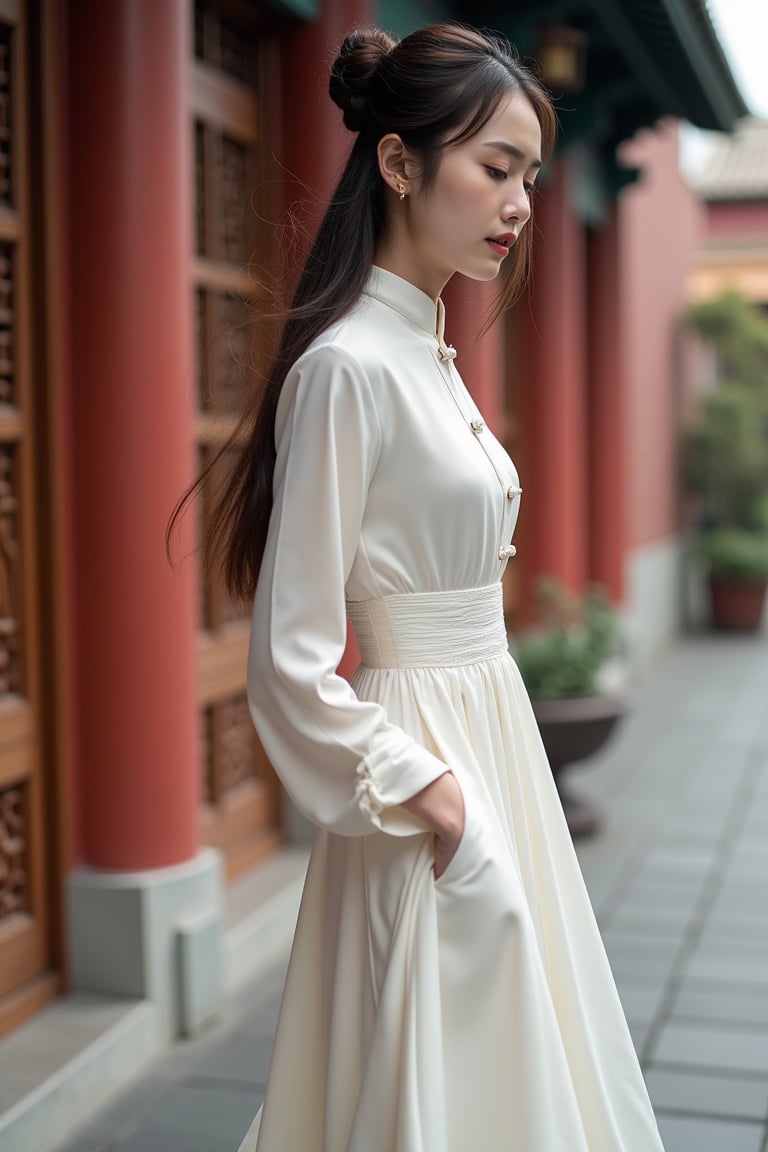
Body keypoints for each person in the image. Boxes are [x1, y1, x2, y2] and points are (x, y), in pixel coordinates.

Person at [215, 22, 665, 1152]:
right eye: (495, 167)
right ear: (400, 162)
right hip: (427, 781)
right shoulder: (348, 370)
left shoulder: (424, 354)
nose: (518, 203)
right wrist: (437, 800)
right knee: (438, 1077)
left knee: (515, 1072)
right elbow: (289, 659)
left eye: (529, 176)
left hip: (492, 738)